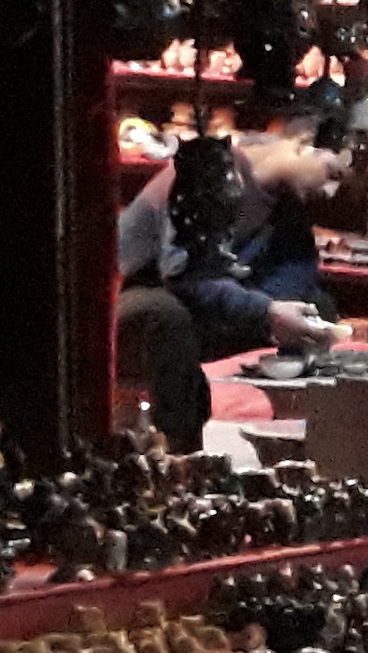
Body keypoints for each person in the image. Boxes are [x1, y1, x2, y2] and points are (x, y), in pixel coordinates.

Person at [116, 114, 348, 451]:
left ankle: (303, 442)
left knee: (318, 309)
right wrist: (266, 311)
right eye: (332, 173)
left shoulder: (285, 199)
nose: (331, 191)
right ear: (302, 143)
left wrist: (284, 313)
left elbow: (296, 270)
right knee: (165, 318)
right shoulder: (210, 170)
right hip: (132, 296)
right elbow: (186, 275)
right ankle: (183, 453)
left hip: (203, 300)